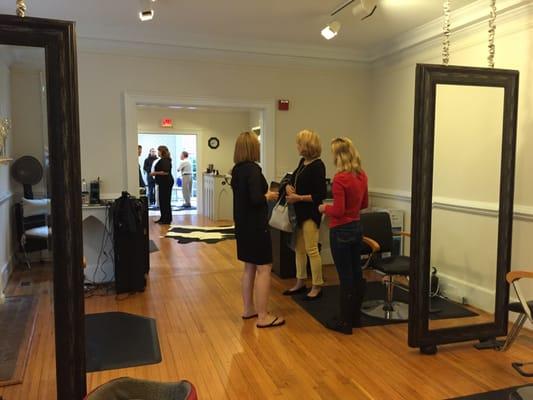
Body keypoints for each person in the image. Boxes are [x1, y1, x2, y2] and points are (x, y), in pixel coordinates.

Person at [231, 132, 285, 328]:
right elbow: (255, 198)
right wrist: (268, 195)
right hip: (255, 226)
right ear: (252, 148)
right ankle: (263, 316)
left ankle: (249, 309)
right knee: (264, 268)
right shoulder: (253, 170)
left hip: (242, 226)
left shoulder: (236, 170)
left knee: (249, 268)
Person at [318, 137, 368, 334]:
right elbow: (364, 204)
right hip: (357, 228)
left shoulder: (340, 179)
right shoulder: (361, 175)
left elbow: (338, 210)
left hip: (340, 231)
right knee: (357, 274)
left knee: (345, 277)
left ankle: (344, 322)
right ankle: (355, 317)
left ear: (338, 156)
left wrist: (324, 207)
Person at [282, 129, 327, 300]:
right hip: (298, 215)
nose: (297, 146)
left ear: (307, 146)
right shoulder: (302, 162)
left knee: (311, 249)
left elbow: (319, 195)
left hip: (310, 214)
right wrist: (287, 186)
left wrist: (298, 197)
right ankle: (300, 281)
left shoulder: (318, 166)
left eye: (299, 143)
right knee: (299, 250)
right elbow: (290, 179)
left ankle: (317, 284)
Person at [150, 145, 174, 224]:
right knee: (162, 201)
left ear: (162, 152)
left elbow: (166, 172)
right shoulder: (163, 160)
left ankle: (166, 219)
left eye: (158, 151)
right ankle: (163, 218)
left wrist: (154, 173)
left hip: (166, 183)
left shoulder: (165, 160)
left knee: (165, 201)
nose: (158, 153)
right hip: (163, 182)